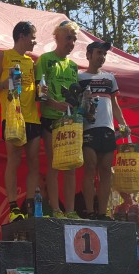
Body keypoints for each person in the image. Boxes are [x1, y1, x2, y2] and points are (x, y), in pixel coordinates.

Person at [0, 20, 42, 222]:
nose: (34, 42)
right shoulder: (4, 56)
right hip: (12, 116)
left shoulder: (32, 63)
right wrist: (5, 83)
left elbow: (36, 91)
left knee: (34, 162)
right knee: (14, 160)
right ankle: (13, 207)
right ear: (22, 36)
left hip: (32, 118)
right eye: (33, 37)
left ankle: (29, 205)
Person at [78, 40, 130, 220]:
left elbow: (115, 105)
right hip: (88, 128)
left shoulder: (110, 78)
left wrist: (123, 124)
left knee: (106, 170)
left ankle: (102, 212)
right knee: (90, 167)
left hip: (107, 128)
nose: (102, 57)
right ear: (89, 55)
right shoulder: (79, 77)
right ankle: (89, 210)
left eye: (104, 54)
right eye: (99, 53)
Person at [36, 20, 81, 219]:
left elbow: (75, 94)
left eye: (74, 39)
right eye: (68, 38)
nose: (71, 43)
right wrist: (54, 104)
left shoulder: (73, 66)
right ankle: (55, 209)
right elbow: (39, 91)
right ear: (57, 37)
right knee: (54, 165)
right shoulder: (45, 60)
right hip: (50, 119)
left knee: (70, 165)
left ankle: (70, 211)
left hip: (70, 121)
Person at [113, 191, 139, 259]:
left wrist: (138, 214)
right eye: (124, 192)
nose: (127, 194)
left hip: (138, 238)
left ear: (133, 193)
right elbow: (116, 225)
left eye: (129, 192)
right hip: (123, 238)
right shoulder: (118, 208)